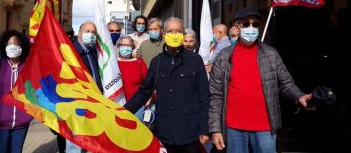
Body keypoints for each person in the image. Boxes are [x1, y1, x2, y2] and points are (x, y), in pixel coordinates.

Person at [209, 8, 313, 153]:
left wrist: (299, 96)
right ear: (237, 27)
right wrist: (215, 129)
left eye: (255, 24)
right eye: (246, 24)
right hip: (234, 128)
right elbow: (215, 96)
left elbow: (286, 83)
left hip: (265, 127)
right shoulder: (223, 57)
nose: (251, 28)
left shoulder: (271, 54)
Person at [124, 17, 209, 153]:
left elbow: (204, 95)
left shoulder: (195, 60)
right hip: (164, 131)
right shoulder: (157, 62)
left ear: (183, 34)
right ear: (164, 34)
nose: (174, 34)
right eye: (170, 31)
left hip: (189, 131)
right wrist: (123, 111)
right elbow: (144, 92)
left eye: (178, 31)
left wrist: (205, 128)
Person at [0, 29, 33, 153]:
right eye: (9, 44)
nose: (13, 47)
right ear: (4, 46)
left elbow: (33, 93)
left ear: (22, 47)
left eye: (16, 44)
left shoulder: (27, 68)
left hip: (21, 125)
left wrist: (29, 115)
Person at [66, 21, 103, 153]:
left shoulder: (92, 51)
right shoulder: (71, 52)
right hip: (77, 103)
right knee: (75, 144)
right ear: (79, 34)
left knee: (88, 141)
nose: (91, 34)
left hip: (93, 101)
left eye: (93, 32)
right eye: (88, 31)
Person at [116, 36, 148, 119]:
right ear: (119, 46)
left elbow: (148, 83)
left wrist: (148, 100)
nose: (126, 47)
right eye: (123, 45)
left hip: (137, 106)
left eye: (129, 45)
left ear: (132, 47)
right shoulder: (113, 64)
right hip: (116, 105)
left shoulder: (139, 62)